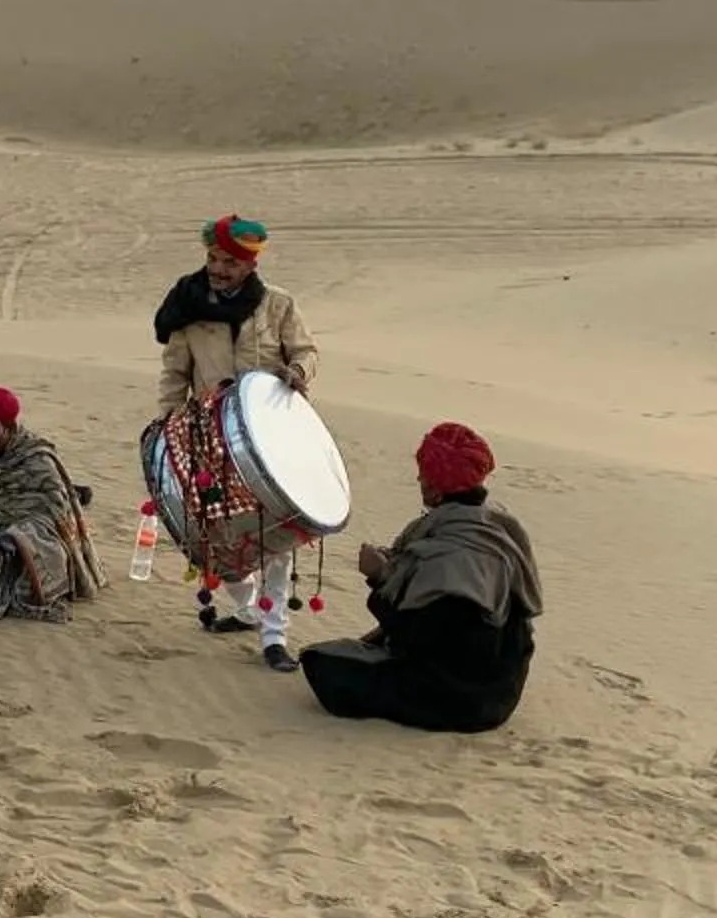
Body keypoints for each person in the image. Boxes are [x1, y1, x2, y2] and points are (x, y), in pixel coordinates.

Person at [154, 214, 320, 672]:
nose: (218, 269)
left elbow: (306, 351)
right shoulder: (187, 309)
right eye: (213, 258)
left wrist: (298, 374)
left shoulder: (277, 305)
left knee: (280, 536)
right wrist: (169, 425)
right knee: (218, 538)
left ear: (249, 265)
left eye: (229, 262)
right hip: (210, 440)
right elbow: (174, 373)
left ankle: (274, 635)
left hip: (272, 442)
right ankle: (247, 607)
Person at [300, 422, 541, 732]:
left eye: (424, 474)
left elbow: (420, 634)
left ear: (435, 488)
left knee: (322, 663)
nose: (418, 479)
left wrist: (380, 577)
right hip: (502, 687)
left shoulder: (452, 553)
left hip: (460, 695)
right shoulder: (495, 523)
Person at [0, 387, 101, 618]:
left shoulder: (37, 462)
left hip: (27, 540)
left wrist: (6, 543)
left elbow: (53, 516)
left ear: (10, 428)